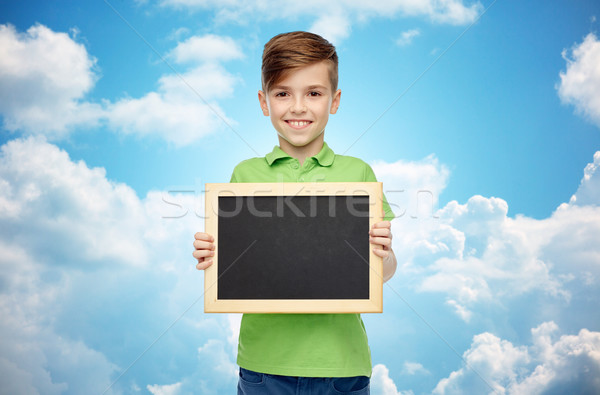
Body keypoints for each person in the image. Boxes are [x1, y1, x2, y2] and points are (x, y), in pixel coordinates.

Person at [193, 31, 396, 395]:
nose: (298, 107)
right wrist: (214, 256)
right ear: (264, 101)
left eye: (314, 93)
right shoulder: (245, 175)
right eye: (283, 93)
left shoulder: (358, 174)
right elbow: (240, 266)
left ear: (334, 101)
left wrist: (382, 255)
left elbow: (385, 270)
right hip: (263, 365)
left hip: (340, 365)